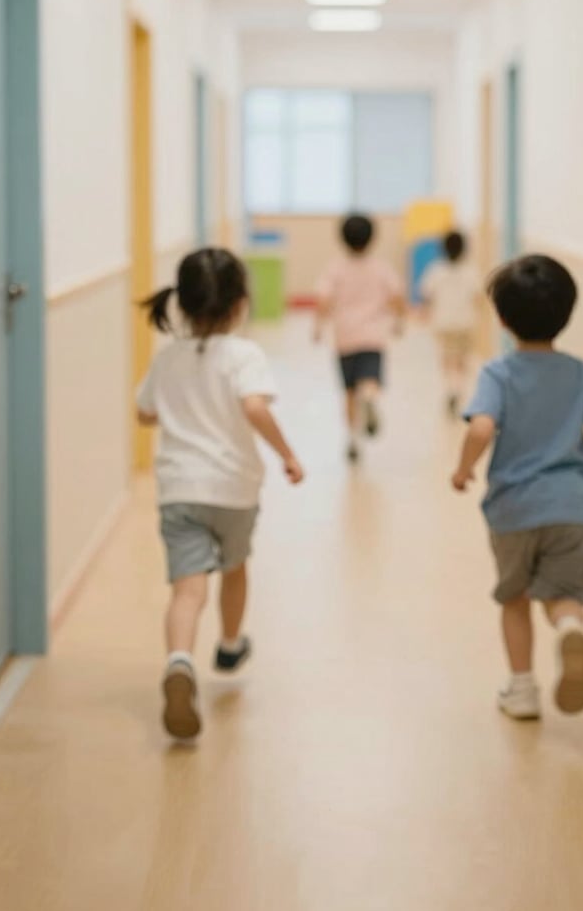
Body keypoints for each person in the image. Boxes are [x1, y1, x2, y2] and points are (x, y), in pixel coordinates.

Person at [136, 247, 304, 741]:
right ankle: (230, 643)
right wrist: (287, 453)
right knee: (234, 568)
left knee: (187, 590)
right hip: (233, 490)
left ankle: (180, 661)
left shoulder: (167, 358)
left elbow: (144, 413)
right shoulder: (244, 355)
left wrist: (172, 408)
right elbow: (254, 408)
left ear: (182, 306)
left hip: (179, 490)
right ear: (238, 305)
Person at [451, 255, 583, 721]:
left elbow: (482, 429)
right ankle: (569, 627)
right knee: (564, 593)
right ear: (567, 313)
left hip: (513, 508)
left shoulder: (498, 374)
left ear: (503, 319)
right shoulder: (578, 372)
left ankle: (522, 689)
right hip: (570, 507)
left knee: (515, 596)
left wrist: (463, 469)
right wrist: (582, 461)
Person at [315, 214, 405, 463]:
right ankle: (370, 398)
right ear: (372, 239)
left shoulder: (335, 268)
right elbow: (397, 296)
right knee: (370, 380)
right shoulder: (381, 268)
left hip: (345, 337)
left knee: (348, 391)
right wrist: (399, 321)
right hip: (374, 336)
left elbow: (323, 299)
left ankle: (353, 439)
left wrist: (318, 327)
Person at [419, 230, 481, 415]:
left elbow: (426, 295)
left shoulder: (436, 270)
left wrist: (425, 314)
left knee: (447, 360)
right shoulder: (471, 271)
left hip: (443, 321)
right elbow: (478, 297)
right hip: (466, 321)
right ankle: (459, 389)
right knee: (462, 360)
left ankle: (450, 388)